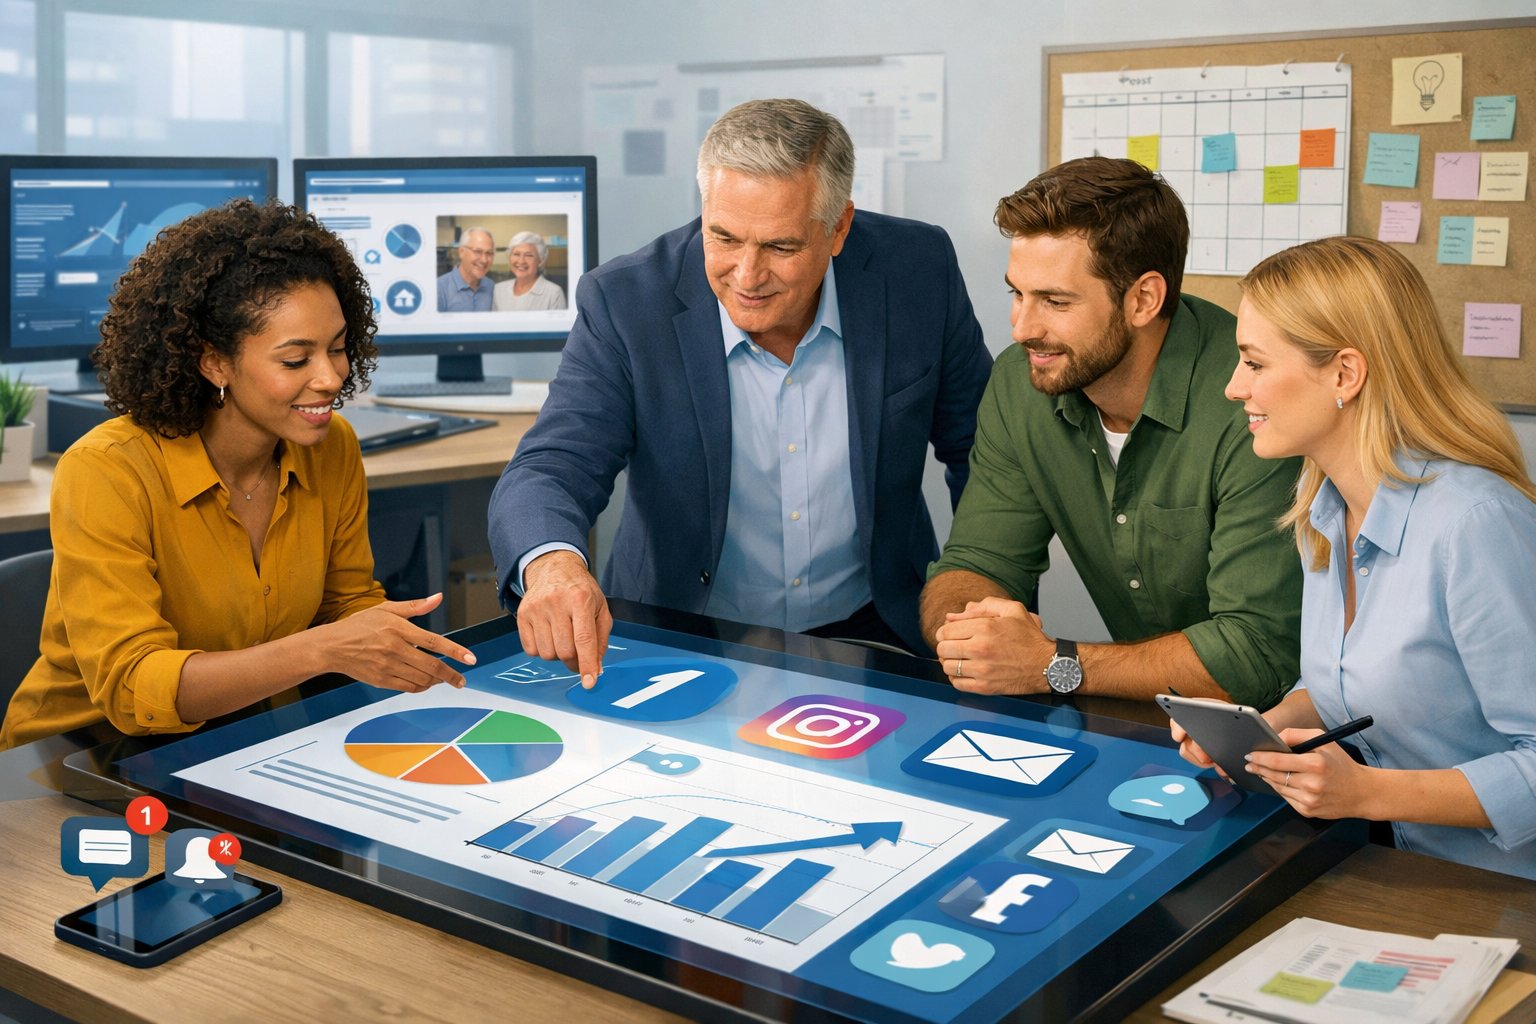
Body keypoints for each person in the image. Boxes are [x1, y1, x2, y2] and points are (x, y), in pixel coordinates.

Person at [489, 98, 992, 684]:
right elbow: (552, 465)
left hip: (876, 630)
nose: (747, 276)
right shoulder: (628, 302)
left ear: (839, 228)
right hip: (684, 635)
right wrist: (552, 566)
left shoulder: (916, 270)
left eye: (780, 246)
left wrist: (982, 587)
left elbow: (984, 453)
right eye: (723, 237)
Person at [1, 199, 474, 750]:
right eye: (296, 361)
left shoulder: (329, 446)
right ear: (214, 362)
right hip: (75, 758)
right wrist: (324, 648)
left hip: (241, 737)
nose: (330, 378)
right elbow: (134, 690)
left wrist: (390, 647)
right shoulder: (107, 470)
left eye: (339, 349)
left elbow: (345, 606)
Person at [1175, 236, 1536, 880]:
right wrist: (1261, 732)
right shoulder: (1327, 509)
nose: (1234, 388)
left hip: (1496, 891)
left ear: (1345, 373)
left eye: (1254, 363)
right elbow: (1347, 685)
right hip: (1388, 868)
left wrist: (1366, 792)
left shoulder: (1476, 524)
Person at [922, 157, 1302, 707]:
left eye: (1055, 301)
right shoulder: (1022, 381)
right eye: (1017, 294)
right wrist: (970, 635)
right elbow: (977, 563)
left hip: (1308, 735)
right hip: (1151, 721)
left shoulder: (1250, 397)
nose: (1023, 328)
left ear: (1143, 299)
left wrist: (1053, 664)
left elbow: (1256, 655)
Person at [492, 231, 567, 311]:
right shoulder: (498, 290)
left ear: (540, 260)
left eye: (529, 255)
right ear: (509, 257)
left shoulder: (554, 293)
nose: (521, 261)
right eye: (516, 254)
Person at [436, 226, 496, 311]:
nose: (484, 260)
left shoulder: (491, 287)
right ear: (461, 252)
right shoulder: (439, 289)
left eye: (489, 253)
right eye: (478, 251)